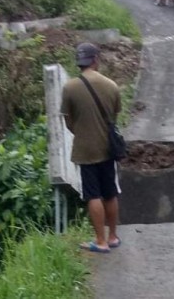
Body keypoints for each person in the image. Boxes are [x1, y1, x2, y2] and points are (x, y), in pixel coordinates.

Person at [61, 43, 122, 254]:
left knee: (93, 194)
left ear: (79, 62)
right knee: (110, 192)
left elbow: (68, 121)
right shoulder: (111, 85)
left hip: (85, 149)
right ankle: (112, 236)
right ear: (96, 59)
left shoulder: (69, 88)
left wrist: (82, 131)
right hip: (108, 147)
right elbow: (114, 117)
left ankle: (100, 240)